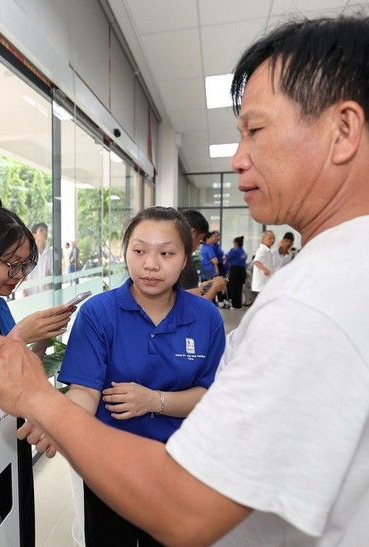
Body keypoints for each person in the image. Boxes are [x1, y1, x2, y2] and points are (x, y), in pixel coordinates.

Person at [0, 15, 369, 545]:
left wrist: (37, 397)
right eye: (139, 251)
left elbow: (185, 508)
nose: (239, 157)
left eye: (255, 130)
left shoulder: (321, 298)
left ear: (343, 130)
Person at [25, 206, 225, 545]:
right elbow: (85, 391)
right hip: (109, 466)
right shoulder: (99, 313)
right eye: (139, 251)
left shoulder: (205, 317)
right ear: (126, 252)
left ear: (185, 258)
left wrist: (154, 401)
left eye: (166, 253)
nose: (150, 264)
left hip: (180, 464)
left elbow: (212, 397)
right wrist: (57, 420)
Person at [0, 195, 77, 547]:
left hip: (7, 428)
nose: (18, 277)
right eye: (11, 265)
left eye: (25, 266)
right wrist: (20, 335)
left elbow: (17, 371)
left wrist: (42, 338)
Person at [178, 209, 227, 302]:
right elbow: (191, 303)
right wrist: (215, 288)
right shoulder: (182, 262)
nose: (198, 245)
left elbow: (179, 295)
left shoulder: (174, 258)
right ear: (192, 234)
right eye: (200, 240)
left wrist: (201, 289)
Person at [22, 222, 52, 296]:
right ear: (34, 235)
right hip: (30, 293)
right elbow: (23, 273)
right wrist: (24, 291)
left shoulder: (50, 253)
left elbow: (51, 273)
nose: (44, 233)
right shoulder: (28, 252)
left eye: (46, 230)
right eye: (41, 230)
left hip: (46, 293)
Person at [249, 230, 275, 301]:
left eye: (273, 238)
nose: (272, 240)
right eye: (270, 238)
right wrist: (264, 269)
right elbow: (256, 261)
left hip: (265, 285)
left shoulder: (268, 250)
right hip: (260, 286)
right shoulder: (262, 250)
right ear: (263, 238)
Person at [225, 236, 247, 308]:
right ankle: (238, 305)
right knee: (239, 288)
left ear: (236, 243)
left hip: (235, 270)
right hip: (242, 270)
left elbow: (226, 257)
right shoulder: (243, 251)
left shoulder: (234, 251)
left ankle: (234, 305)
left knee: (233, 287)